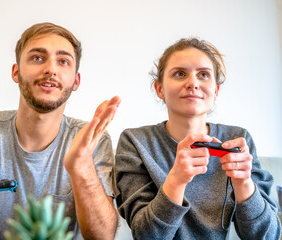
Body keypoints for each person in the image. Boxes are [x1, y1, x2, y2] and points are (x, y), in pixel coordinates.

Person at [0, 22, 120, 240]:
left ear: (76, 81)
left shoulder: (92, 140)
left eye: (63, 61)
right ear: (16, 72)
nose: (50, 69)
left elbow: (103, 237)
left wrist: (82, 167)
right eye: (37, 58)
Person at [115, 38, 281, 239]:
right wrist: (176, 180)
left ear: (216, 91)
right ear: (159, 89)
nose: (192, 83)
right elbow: (146, 235)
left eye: (203, 75)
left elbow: (268, 235)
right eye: (180, 74)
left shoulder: (239, 139)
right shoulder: (136, 142)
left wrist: (244, 183)